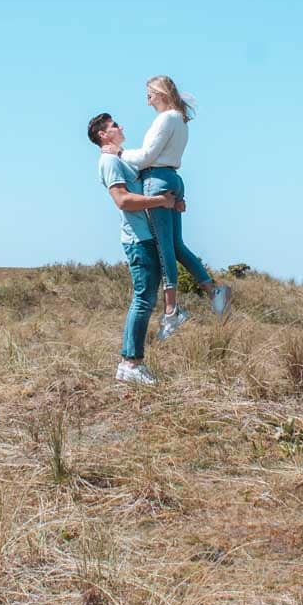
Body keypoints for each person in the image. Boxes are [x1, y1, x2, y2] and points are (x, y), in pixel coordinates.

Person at [119, 75, 230, 337]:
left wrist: (120, 153)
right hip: (174, 179)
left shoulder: (165, 118)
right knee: (177, 245)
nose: (147, 102)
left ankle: (171, 311)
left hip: (156, 180)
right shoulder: (180, 120)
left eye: (149, 95)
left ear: (160, 93)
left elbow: (146, 157)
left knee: (164, 247)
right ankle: (213, 290)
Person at [87, 111, 184, 385]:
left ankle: (131, 363)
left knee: (146, 299)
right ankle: (130, 363)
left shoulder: (121, 159)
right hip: (137, 240)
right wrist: (160, 201)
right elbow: (123, 200)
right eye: (114, 126)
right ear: (103, 134)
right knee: (142, 300)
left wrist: (172, 203)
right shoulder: (108, 162)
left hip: (146, 236)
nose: (120, 127)